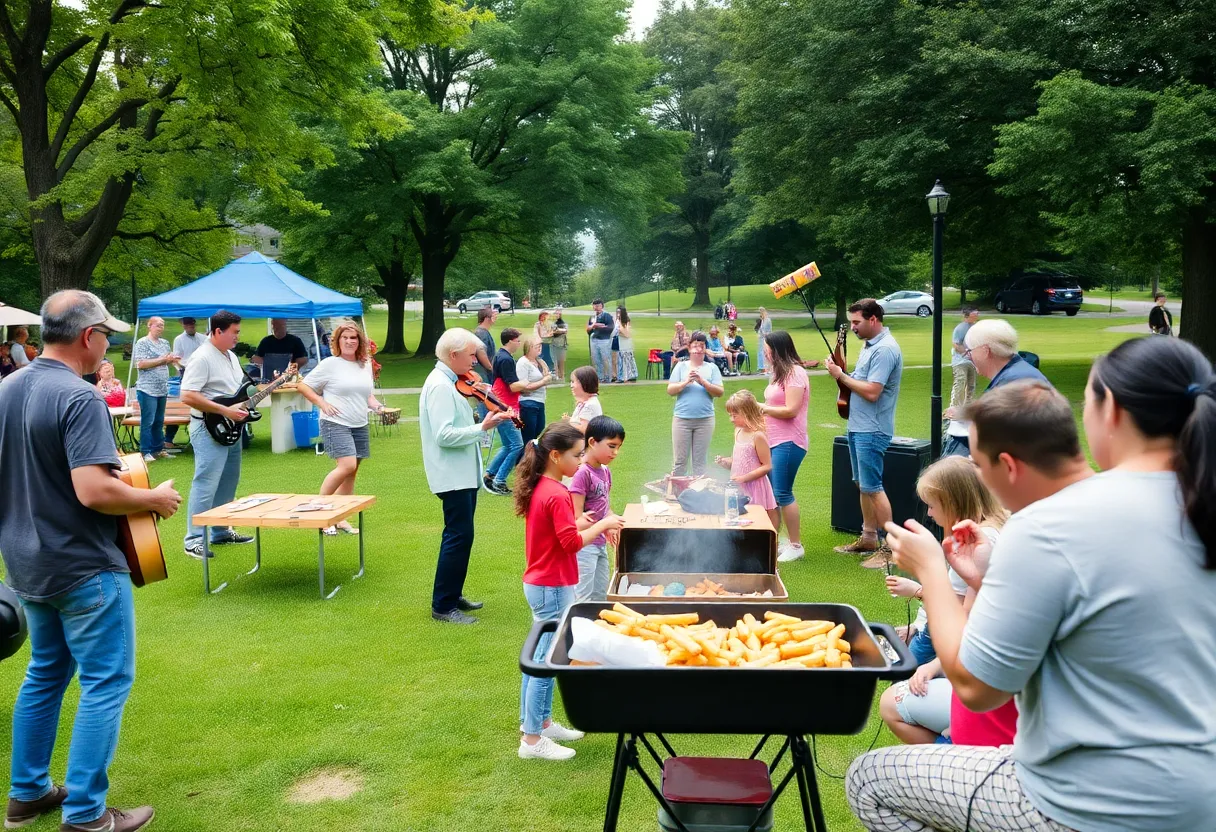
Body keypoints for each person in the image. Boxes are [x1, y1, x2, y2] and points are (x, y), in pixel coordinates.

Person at [850, 357, 1216, 832]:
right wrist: (982, 582)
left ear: (1113, 414)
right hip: (1199, 796)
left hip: (1091, 805)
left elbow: (977, 689)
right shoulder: (1195, 502)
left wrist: (931, 573)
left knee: (870, 780)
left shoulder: (1048, 526)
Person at [0, 290, 180, 832]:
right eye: (107, 334)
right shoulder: (80, 399)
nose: (109, 344)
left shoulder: (6, 388)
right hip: (84, 567)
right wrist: (154, 498)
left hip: (27, 565)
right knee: (106, 681)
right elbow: (95, 491)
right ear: (87, 337)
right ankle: (86, 815)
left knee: (45, 674)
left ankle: (27, 794)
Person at [878, 456, 1013, 747]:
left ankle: (951, 748)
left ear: (953, 501)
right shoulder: (994, 528)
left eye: (932, 504)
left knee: (893, 702)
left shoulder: (981, 541)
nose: (928, 513)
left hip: (982, 685)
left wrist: (921, 583)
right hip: (984, 677)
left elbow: (968, 625)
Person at [515, 422, 623, 760]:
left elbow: (559, 530)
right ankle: (532, 741)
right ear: (555, 455)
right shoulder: (557, 492)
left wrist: (579, 521)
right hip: (552, 584)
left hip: (542, 581)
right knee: (548, 661)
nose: (580, 461)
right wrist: (604, 524)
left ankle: (540, 723)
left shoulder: (545, 487)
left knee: (539, 657)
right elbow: (570, 543)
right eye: (576, 456)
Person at [420, 328, 511, 624]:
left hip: (461, 473)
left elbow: (454, 423)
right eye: (471, 355)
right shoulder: (440, 386)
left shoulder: (451, 382)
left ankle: (452, 593)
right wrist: (482, 428)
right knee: (458, 536)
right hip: (452, 474)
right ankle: (443, 606)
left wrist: (476, 417)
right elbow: (444, 435)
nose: (475, 360)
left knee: (462, 536)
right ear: (454, 354)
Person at [826, 299, 903, 566]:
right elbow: (859, 382)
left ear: (873, 320)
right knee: (863, 484)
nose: (853, 327)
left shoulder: (885, 350)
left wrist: (840, 375)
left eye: (856, 322)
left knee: (873, 487)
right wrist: (842, 375)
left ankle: (892, 549)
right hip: (858, 425)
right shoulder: (870, 347)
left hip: (873, 429)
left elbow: (872, 391)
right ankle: (869, 537)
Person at [295, 321, 386, 536]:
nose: (349, 341)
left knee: (352, 472)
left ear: (359, 341)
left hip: (359, 423)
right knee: (346, 466)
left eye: (353, 338)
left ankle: (341, 517)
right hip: (335, 422)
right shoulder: (330, 364)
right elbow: (303, 385)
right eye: (344, 337)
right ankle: (320, 514)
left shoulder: (365, 365)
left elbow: (367, 395)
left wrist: (379, 407)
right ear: (337, 341)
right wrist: (322, 404)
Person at [180, 311, 256, 559]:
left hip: (231, 428)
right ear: (217, 331)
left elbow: (234, 391)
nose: (238, 336)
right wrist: (225, 410)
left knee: (228, 481)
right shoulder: (201, 357)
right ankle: (193, 540)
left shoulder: (231, 356)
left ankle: (221, 531)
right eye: (234, 332)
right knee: (206, 481)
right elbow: (188, 395)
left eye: (238, 331)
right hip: (208, 428)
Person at [942, 318, 1050, 458]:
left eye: (970, 351)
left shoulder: (1015, 381)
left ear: (985, 351)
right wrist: (965, 413)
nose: (969, 357)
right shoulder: (1015, 373)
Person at [756, 331, 809, 561]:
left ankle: (796, 545)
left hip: (789, 441)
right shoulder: (777, 373)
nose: (764, 352)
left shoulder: (796, 373)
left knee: (782, 492)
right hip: (772, 440)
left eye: (767, 348)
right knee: (771, 494)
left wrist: (761, 408)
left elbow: (791, 410)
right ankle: (775, 540)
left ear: (778, 349)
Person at [570, 415, 625, 602]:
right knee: (582, 598)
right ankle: (574, 630)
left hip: (600, 543)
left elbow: (604, 507)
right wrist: (604, 524)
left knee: (601, 596)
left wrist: (610, 524)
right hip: (584, 547)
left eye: (618, 447)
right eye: (612, 446)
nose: (615, 452)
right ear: (592, 442)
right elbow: (576, 520)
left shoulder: (605, 471)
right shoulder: (581, 473)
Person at [667, 332, 725, 476]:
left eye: (702, 346)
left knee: (700, 462)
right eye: (695, 346)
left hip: (705, 420)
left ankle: (698, 496)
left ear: (705, 348)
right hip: (682, 419)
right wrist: (686, 381)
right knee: (680, 462)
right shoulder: (681, 366)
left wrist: (702, 382)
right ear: (689, 347)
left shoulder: (712, 368)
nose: (698, 349)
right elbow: (670, 390)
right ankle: (677, 494)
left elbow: (719, 392)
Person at [716, 391, 777, 525]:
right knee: (737, 519)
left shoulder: (758, 436)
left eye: (735, 415)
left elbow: (767, 465)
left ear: (747, 413)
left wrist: (744, 478)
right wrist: (725, 462)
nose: (731, 419)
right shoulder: (737, 431)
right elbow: (737, 460)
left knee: (755, 521)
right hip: (738, 487)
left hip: (755, 487)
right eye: (730, 415)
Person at [483, 328, 527, 495]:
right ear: (509, 340)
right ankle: (499, 480)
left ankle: (490, 474)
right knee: (517, 445)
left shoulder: (500, 356)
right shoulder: (506, 359)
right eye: (517, 340)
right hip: (506, 407)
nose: (519, 343)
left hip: (501, 406)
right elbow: (513, 385)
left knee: (508, 445)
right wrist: (530, 383)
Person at [131, 316, 180, 463]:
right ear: (149, 326)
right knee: (148, 421)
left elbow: (169, 361)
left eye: (162, 325)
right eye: (158, 325)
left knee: (159, 421)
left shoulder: (165, 343)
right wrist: (163, 360)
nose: (161, 328)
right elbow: (140, 364)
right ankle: (145, 452)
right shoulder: (142, 343)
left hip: (162, 388)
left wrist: (177, 363)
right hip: (147, 389)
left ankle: (159, 449)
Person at [165, 317, 207, 449]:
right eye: (187, 324)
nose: (190, 326)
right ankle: (168, 439)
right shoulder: (179, 339)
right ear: (183, 325)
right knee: (182, 405)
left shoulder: (203, 338)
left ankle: (204, 436)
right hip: (187, 374)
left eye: (192, 323)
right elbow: (176, 360)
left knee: (204, 405)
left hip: (204, 375)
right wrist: (183, 369)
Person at [516, 336, 554, 445]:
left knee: (539, 431)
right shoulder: (523, 363)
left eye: (540, 345)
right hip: (528, 402)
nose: (539, 348)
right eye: (536, 346)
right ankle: (524, 459)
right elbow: (523, 387)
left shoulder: (539, 361)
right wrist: (544, 380)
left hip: (540, 401)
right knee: (528, 436)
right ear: (529, 348)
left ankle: (531, 458)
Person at [950, 306, 979, 410]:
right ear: (967, 315)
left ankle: (968, 408)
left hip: (973, 362)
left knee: (972, 385)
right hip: (960, 361)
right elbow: (955, 344)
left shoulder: (976, 328)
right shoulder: (960, 328)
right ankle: (954, 408)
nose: (977, 315)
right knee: (960, 382)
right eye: (974, 313)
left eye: (977, 313)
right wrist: (967, 352)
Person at [565, 366, 603, 432]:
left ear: (584, 383)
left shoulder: (590, 405)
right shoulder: (585, 402)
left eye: (573, 382)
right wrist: (571, 419)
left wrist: (567, 424)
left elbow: (583, 429)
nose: (571, 386)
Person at [585, 299, 614, 381]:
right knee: (596, 359)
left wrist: (601, 326)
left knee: (605, 358)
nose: (596, 308)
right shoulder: (592, 317)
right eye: (594, 306)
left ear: (602, 306)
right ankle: (599, 377)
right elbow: (588, 329)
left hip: (604, 340)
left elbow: (611, 327)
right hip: (594, 340)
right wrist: (593, 326)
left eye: (598, 306)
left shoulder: (607, 316)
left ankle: (608, 377)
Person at [615, 308, 637, 383]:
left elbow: (627, 334)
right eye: (617, 312)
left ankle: (632, 375)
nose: (618, 314)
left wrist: (620, 327)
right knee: (621, 359)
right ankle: (621, 377)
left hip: (626, 342)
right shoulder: (617, 321)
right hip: (620, 341)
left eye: (619, 312)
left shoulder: (626, 321)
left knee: (628, 359)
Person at [550, 309, 569, 381]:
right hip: (554, 344)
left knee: (561, 361)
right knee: (555, 361)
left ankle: (562, 376)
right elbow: (552, 332)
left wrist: (557, 330)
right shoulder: (552, 323)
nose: (556, 315)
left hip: (562, 344)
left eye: (557, 314)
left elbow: (565, 331)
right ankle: (557, 376)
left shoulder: (564, 323)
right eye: (555, 314)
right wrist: (559, 331)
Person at [755, 308, 772, 373]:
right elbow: (760, 329)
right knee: (760, 352)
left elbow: (769, 330)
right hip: (761, 338)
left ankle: (766, 367)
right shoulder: (762, 320)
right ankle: (761, 367)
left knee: (765, 352)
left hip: (766, 338)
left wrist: (764, 333)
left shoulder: (768, 320)